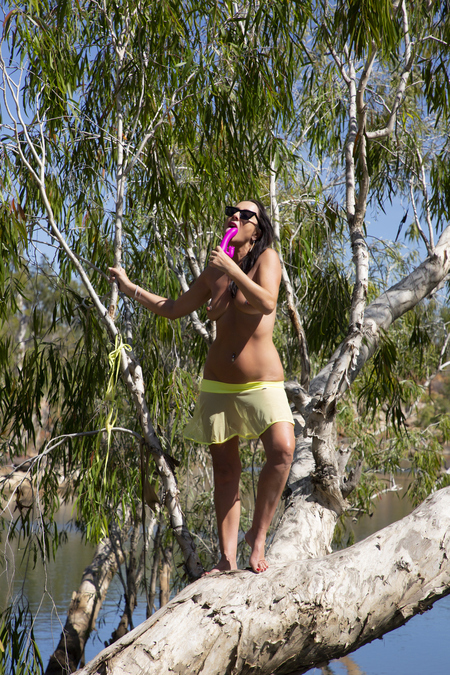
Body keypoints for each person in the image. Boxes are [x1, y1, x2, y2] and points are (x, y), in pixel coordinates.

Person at [109, 200, 295, 574]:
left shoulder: (267, 259)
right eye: (231, 211)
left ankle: (257, 538)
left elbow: (267, 301)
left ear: (257, 230)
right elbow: (174, 308)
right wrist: (130, 288)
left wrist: (232, 270)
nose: (235, 216)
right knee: (225, 471)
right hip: (219, 384)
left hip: (263, 382)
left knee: (282, 450)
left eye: (245, 214)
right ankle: (226, 559)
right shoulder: (214, 272)